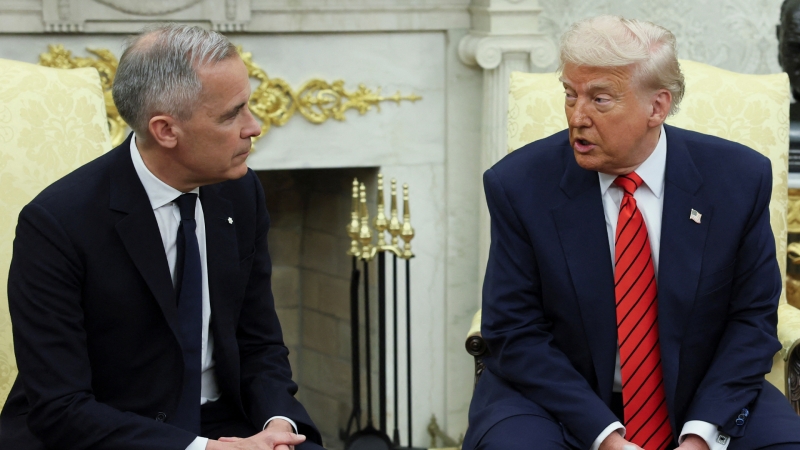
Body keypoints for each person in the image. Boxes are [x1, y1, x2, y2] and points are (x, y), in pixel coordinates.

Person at [463, 15, 800, 450]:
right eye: (570, 94)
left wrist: (701, 436)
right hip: (556, 399)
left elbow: (751, 322)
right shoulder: (519, 185)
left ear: (656, 107)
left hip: (703, 395)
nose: (577, 117)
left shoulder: (738, 180)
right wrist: (606, 437)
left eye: (599, 99)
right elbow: (514, 330)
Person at [0, 24, 324, 450]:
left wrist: (278, 424)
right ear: (166, 130)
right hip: (114, 432)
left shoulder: (240, 191)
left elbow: (259, 344)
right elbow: (61, 407)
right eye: (231, 115)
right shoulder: (57, 223)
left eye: (248, 105)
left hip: (226, 421)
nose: (255, 126)